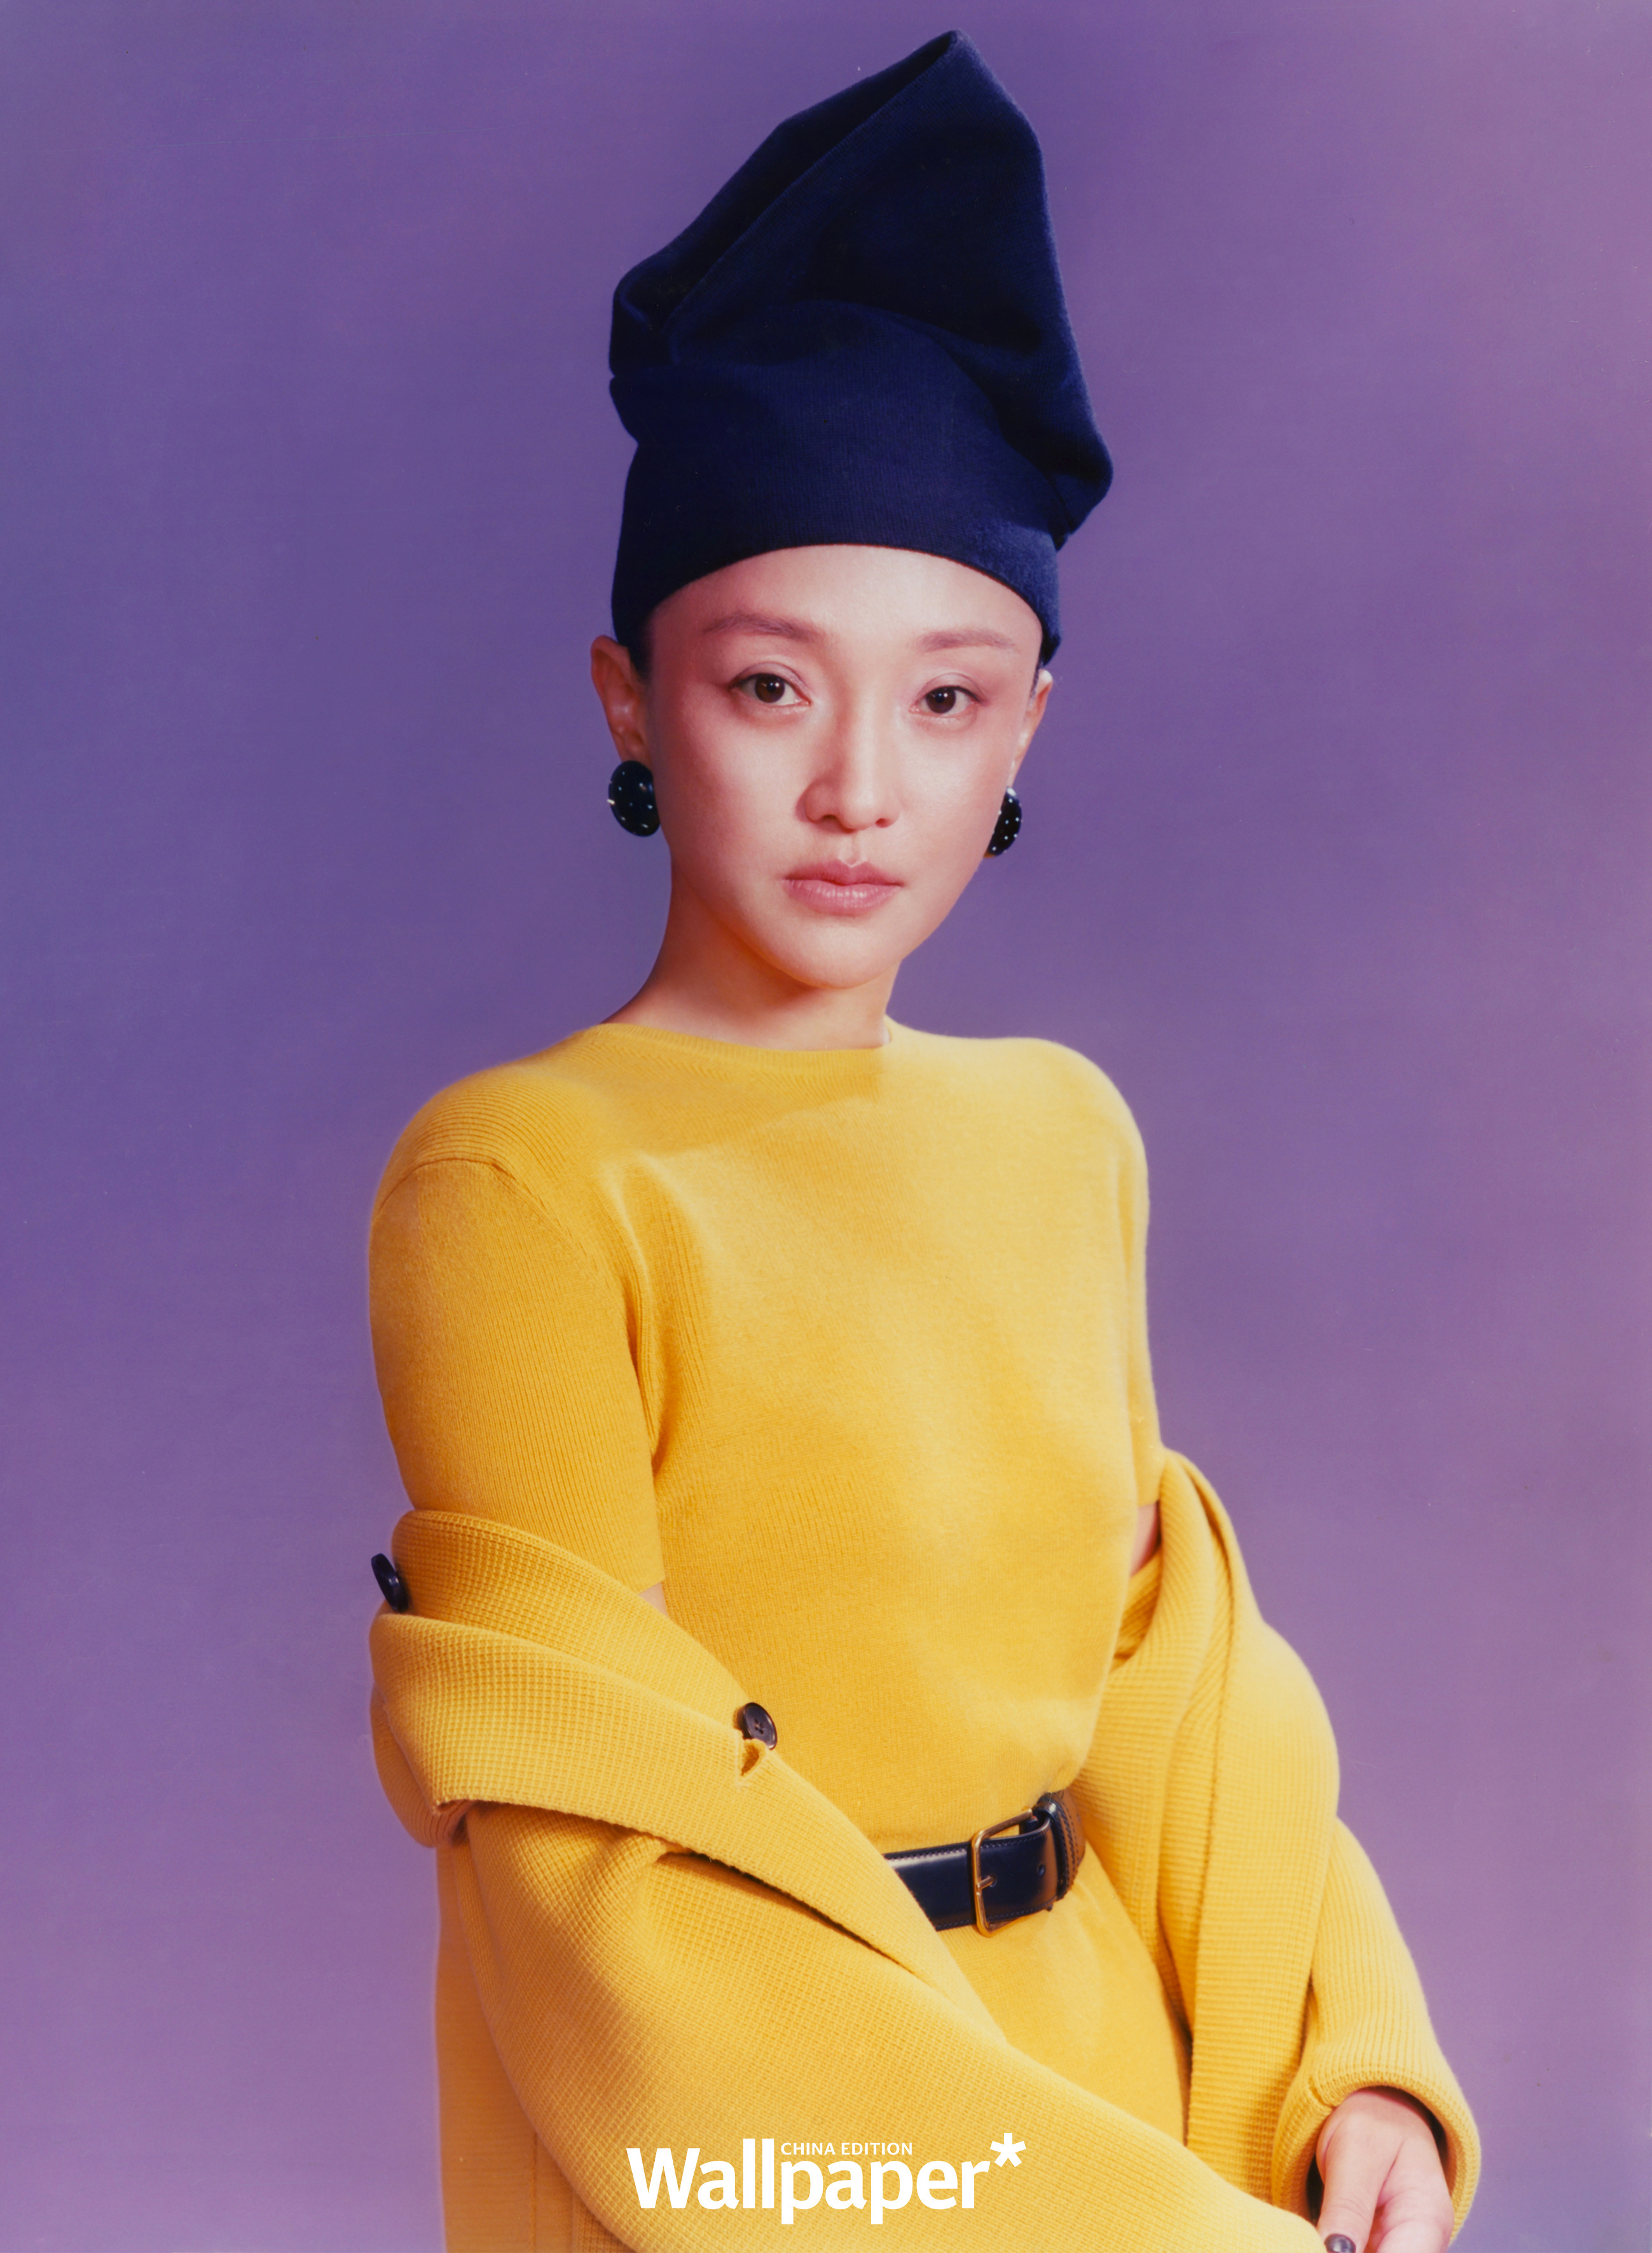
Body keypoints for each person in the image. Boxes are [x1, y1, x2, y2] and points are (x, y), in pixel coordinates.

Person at [366, 32, 1479, 2252]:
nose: (862, 788)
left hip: (1117, 2098)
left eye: (948, 694)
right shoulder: (519, 1183)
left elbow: (1174, 1683)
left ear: (1028, 722)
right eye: (771, 684)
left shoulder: (1063, 1135)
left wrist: (1343, 2062)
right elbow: (606, 1874)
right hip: (772, 2162)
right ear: (631, 697)